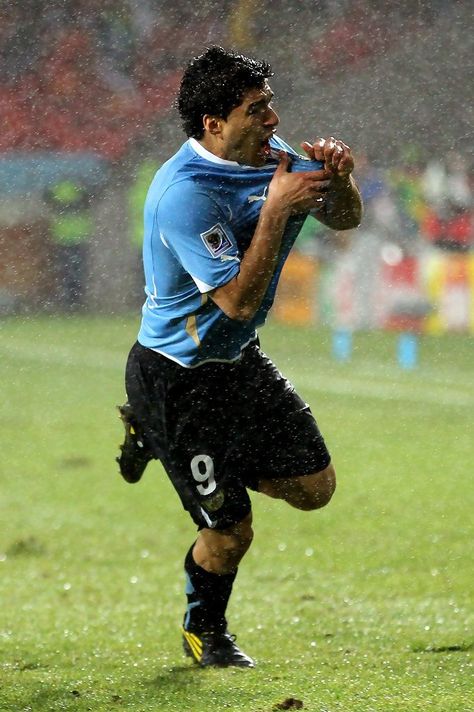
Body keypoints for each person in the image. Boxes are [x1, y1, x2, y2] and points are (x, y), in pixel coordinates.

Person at [117, 46, 362, 668]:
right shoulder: (182, 196)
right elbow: (237, 301)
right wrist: (277, 212)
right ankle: (207, 633)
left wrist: (342, 180)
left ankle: (173, 447)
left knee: (315, 487)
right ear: (214, 125)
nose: (274, 119)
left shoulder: (274, 161)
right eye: (257, 109)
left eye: (271, 103)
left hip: (238, 363)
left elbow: (343, 219)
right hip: (175, 380)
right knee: (230, 532)